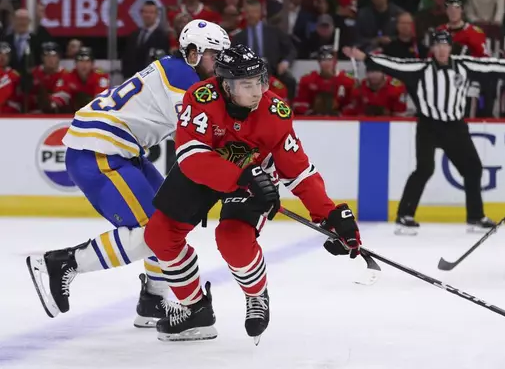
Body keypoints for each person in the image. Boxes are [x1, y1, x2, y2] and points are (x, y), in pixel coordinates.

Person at [142, 44, 362, 342]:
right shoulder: (201, 98)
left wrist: (329, 214)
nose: (257, 91)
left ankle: (256, 294)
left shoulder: (275, 113)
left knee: (233, 239)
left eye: (259, 81)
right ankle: (195, 309)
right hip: (208, 170)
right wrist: (240, 175)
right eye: (247, 84)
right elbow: (191, 157)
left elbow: (298, 170)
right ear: (226, 86)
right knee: (159, 235)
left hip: (254, 176)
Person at [26, 20, 231, 328]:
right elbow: (199, 138)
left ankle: (152, 297)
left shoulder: (180, 71)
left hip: (116, 149)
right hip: (99, 151)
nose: (221, 62)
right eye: (215, 54)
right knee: (155, 232)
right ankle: (62, 263)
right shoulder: (184, 79)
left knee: (168, 219)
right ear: (192, 53)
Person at [343, 31, 505, 235]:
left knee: (472, 168)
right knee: (424, 169)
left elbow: (492, 67)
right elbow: (394, 64)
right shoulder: (421, 68)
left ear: (450, 48)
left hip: (455, 126)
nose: (441, 50)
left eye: (445, 45)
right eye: (437, 46)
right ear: (433, 49)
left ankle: (475, 217)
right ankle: (404, 216)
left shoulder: (463, 65)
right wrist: (366, 58)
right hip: (428, 126)